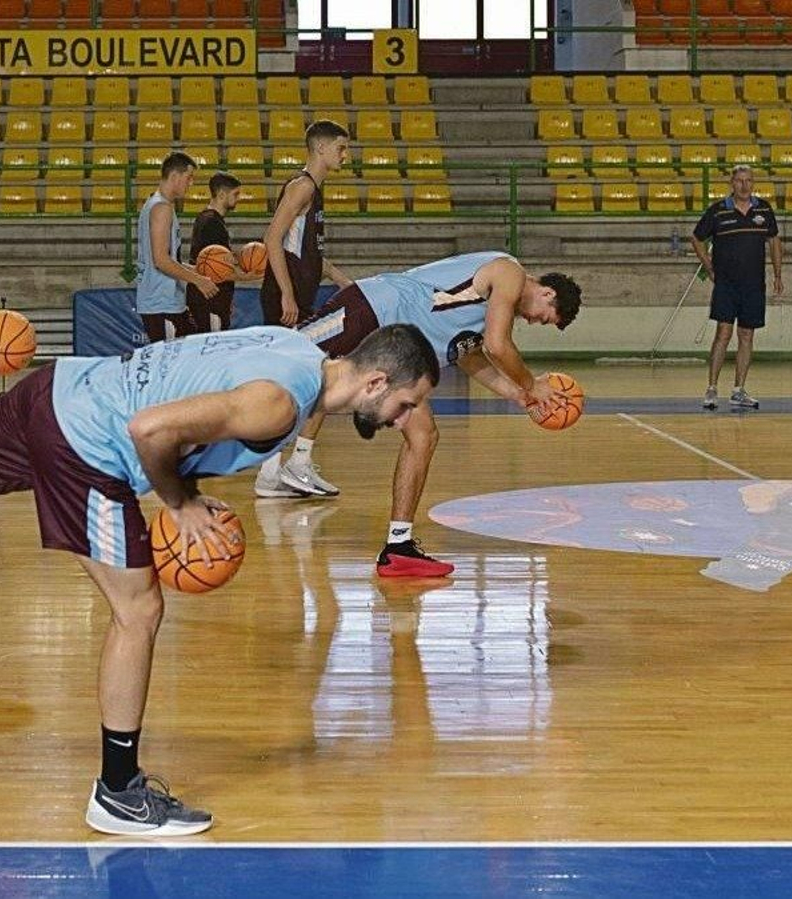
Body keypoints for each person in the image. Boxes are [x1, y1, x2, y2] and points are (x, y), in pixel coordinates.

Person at [0, 263, 440, 835]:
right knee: (139, 610)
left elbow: (185, 388)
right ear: (377, 380)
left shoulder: (295, 350)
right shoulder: (279, 400)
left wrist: (182, 485)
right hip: (87, 439)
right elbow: (152, 430)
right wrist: (178, 505)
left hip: (66, 385)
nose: (404, 417)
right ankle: (117, 792)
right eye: (406, 404)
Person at [263, 252, 582, 577]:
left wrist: (518, 393)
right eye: (543, 317)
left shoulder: (487, 315)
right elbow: (498, 346)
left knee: (423, 435)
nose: (533, 322)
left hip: (395, 353)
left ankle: (398, 547)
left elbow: (469, 357)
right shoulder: (509, 271)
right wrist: (533, 384)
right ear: (547, 293)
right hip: (375, 310)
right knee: (280, 358)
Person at [690, 164, 784, 410]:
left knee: (747, 335)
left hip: (754, 285)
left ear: (753, 183)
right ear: (732, 183)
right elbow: (696, 239)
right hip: (726, 285)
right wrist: (709, 267)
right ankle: (711, 389)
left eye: (749, 180)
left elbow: (774, 240)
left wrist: (777, 273)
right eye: (740, 180)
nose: (744, 185)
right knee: (723, 333)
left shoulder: (764, 209)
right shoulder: (718, 211)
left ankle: (738, 390)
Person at [259, 119, 353, 330]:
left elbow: (310, 252)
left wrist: (345, 283)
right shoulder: (303, 186)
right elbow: (272, 239)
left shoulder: (314, 188)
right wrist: (287, 295)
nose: (345, 155)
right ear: (320, 147)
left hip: (299, 296)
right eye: (341, 148)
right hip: (286, 300)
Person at [136, 151, 220, 343]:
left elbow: (169, 259)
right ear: (174, 176)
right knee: (171, 367)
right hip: (161, 304)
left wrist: (202, 271)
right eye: (188, 178)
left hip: (166, 303)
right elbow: (161, 261)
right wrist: (198, 280)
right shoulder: (161, 208)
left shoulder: (158, 204)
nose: (191, 183)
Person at [184, 171, 254, 334]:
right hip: (209, 300)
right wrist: (248, 276)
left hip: (211, 298)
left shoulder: (207, 218)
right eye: (235, 194)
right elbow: (215, 269)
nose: (238, 198)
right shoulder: (212, 223)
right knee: (211, 352)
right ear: (222, 194)